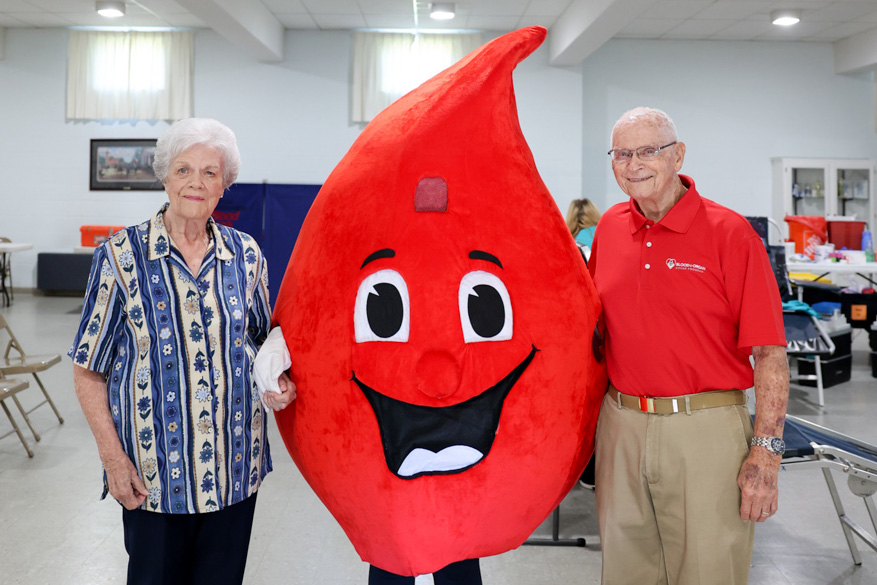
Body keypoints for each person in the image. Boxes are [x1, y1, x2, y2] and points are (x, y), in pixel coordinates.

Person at [70, 117, 295, 585]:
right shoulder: (120, 256)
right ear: (165, 177)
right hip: (154, 476)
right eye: (183, 169)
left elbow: (259, 341)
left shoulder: (247, 255)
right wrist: (114, 460)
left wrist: (278, 379)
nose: (196, 182)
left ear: (225, 184)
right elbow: (89, 369)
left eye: (210, 172)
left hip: (234, 467)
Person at [589, 107, 789, 585]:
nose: (633, 164)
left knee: (707, 572)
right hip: (621, 426)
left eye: (648, 151)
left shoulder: (731, 233)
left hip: (705, 431)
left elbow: (770, 355)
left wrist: (766, 454)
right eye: (621, 154)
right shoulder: (609, 229)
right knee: (624, 572)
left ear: (677, 155)